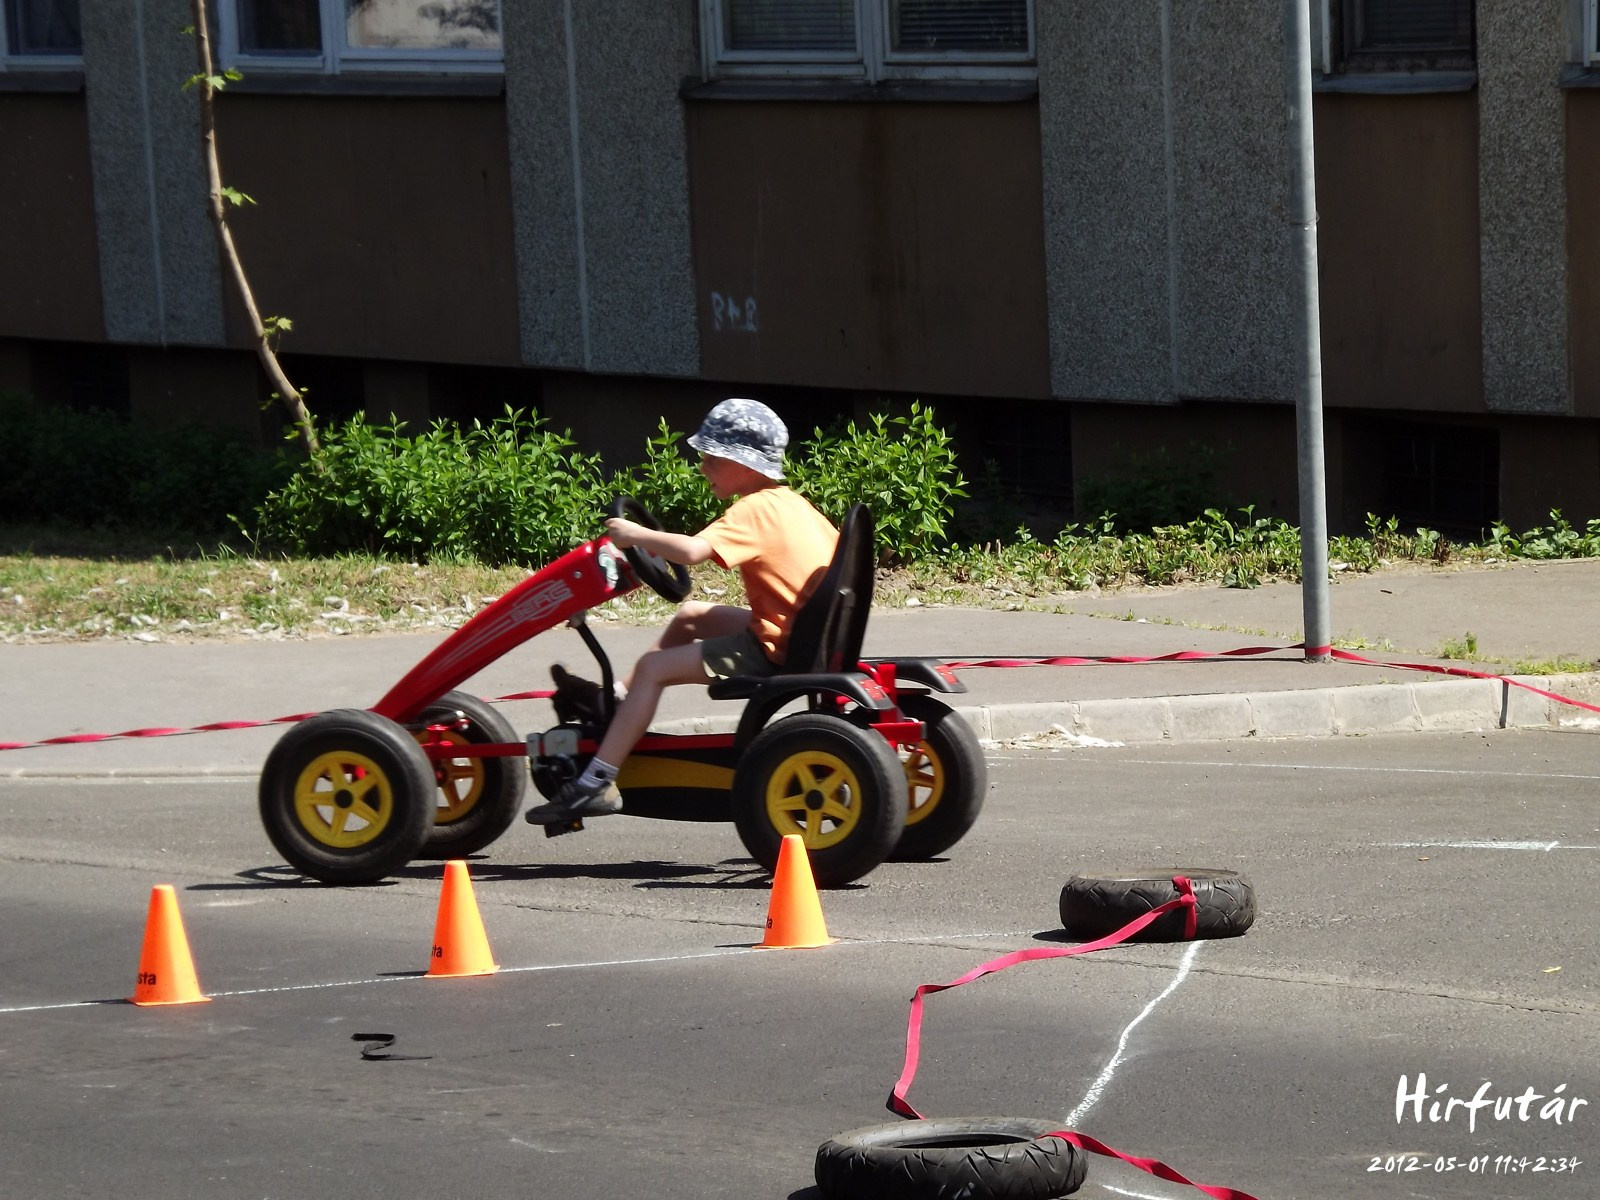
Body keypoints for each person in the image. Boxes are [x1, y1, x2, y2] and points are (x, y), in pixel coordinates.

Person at [525, 398, 839, 822]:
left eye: (712, 458)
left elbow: (692, 551)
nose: (703, 467)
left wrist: (635, 535)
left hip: (775, 647)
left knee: (654, 667)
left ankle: (596, 781)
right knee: (693, 615)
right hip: (804, 632)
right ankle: (614, 701)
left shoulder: (753, 509)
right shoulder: (796, 505)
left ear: (745, 464)